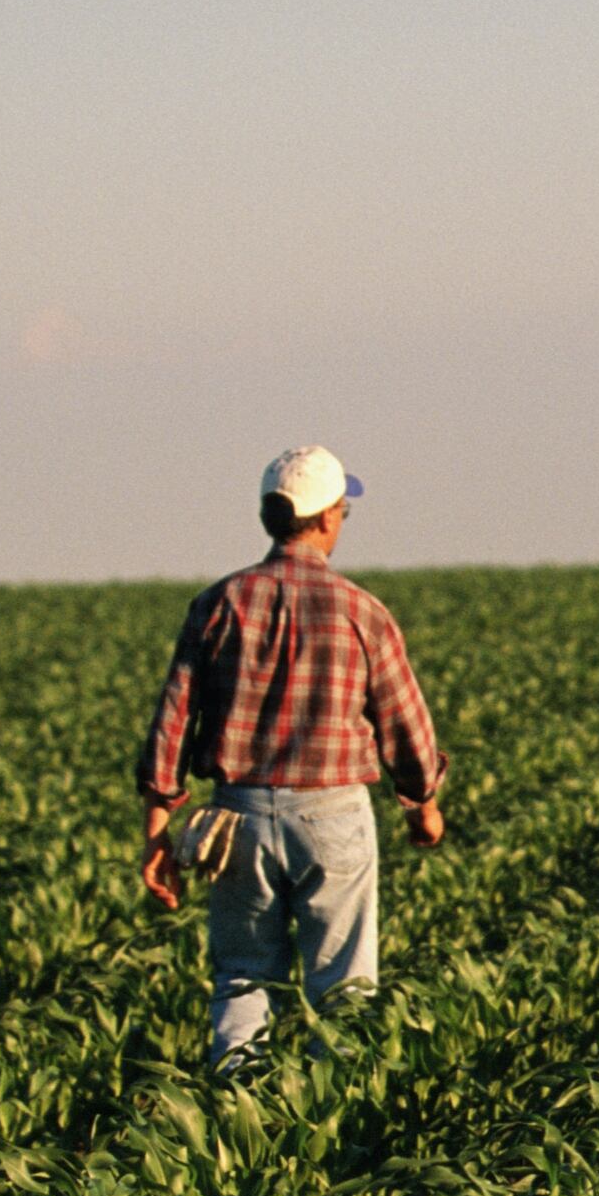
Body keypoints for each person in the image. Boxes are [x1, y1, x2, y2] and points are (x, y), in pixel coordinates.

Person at [136, 445, 449, 1063]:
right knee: (344, 990)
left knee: (243, 978)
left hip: (237, 819)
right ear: (328, 518)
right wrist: (422, 805)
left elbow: (174, 719)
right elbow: (405, 722)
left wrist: (156, 834)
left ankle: (234, 1102)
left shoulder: (218, 603)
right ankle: (334, 1107)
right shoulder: (361, 610)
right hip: (333, 817)